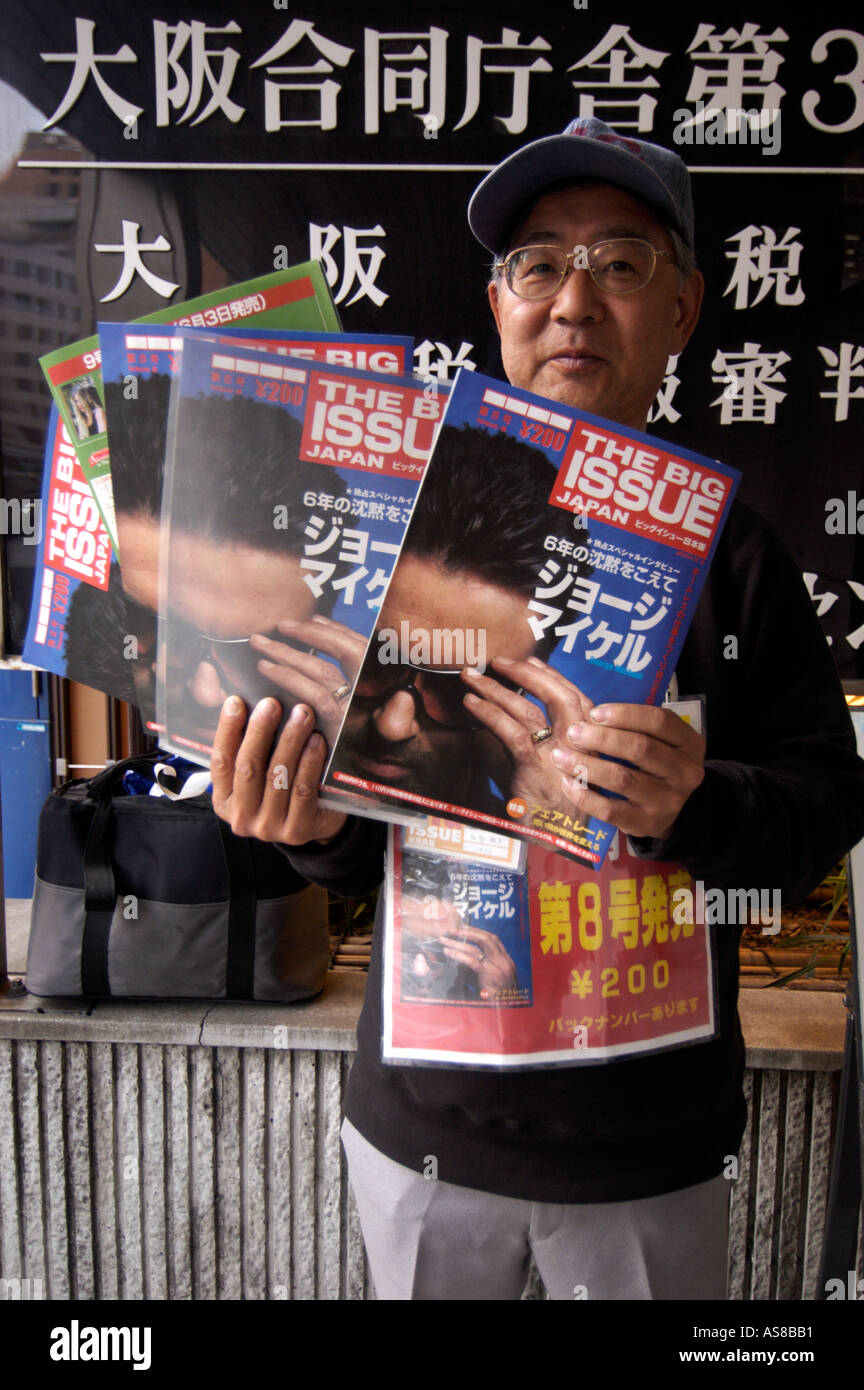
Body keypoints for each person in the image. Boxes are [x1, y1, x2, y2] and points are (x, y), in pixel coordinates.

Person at [209, 117, 864, 1299]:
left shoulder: (738, 554)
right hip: (422, 1127)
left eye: (621, 264)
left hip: (649, 1147)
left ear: (683, 309)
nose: (574, 302)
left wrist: (698, 803)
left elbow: (826, 807)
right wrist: (307, 829)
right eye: (540, 264)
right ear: (498, 301)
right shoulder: (382, 528)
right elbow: (361, 840)